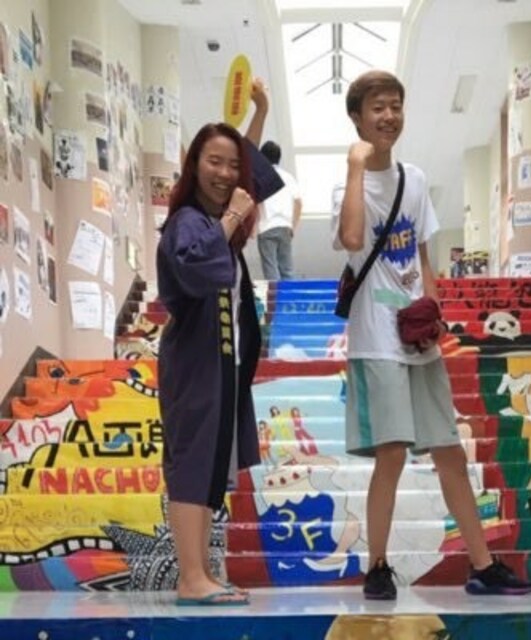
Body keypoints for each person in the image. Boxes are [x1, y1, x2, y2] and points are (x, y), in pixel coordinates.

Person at [331, 70, 531, 600]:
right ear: (357, 118)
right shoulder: (349, 186)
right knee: (392, 453)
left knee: (449, 450)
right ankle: (378, 566)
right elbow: (352, 239)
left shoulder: (415, 179)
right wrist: (355, 166)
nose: (389, 116)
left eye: (395, 105)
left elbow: (422, 256)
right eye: (377, 107)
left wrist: (433, 314)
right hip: (376, 340)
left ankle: (482, 565)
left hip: (416, 338)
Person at [156, 82, 278, 607]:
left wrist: (261, 111)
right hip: (196, 363)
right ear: (193, 166)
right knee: (193, 462)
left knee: (209, 467)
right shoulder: (189, 221)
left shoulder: (214, 218)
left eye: (231, 165)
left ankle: (200, 573)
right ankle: (191, 577)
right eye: (213, 162)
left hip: (221, 363)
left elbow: (248, 174)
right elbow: (197, 267)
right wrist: (230, 218)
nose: (226, 173)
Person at [256, 140, 302, 280]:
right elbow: (298, 202)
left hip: (266, 227)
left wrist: (256, 226)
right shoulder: (289, 177)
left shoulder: (260, 177)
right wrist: (293, 226)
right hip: (285, 227)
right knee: (287, 270)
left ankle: (275, 295)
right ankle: (289, 295)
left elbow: (257, 203)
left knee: (271, 271)